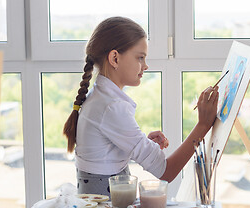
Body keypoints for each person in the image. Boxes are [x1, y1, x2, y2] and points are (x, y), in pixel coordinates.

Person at [63, 16, 219, 196]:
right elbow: (166, 172)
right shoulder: (112, 106)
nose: (145, 66)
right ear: (114, 58)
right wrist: (203, 125)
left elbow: (103, 153)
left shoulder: (98, 97)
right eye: (140, 58)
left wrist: (141, 143)